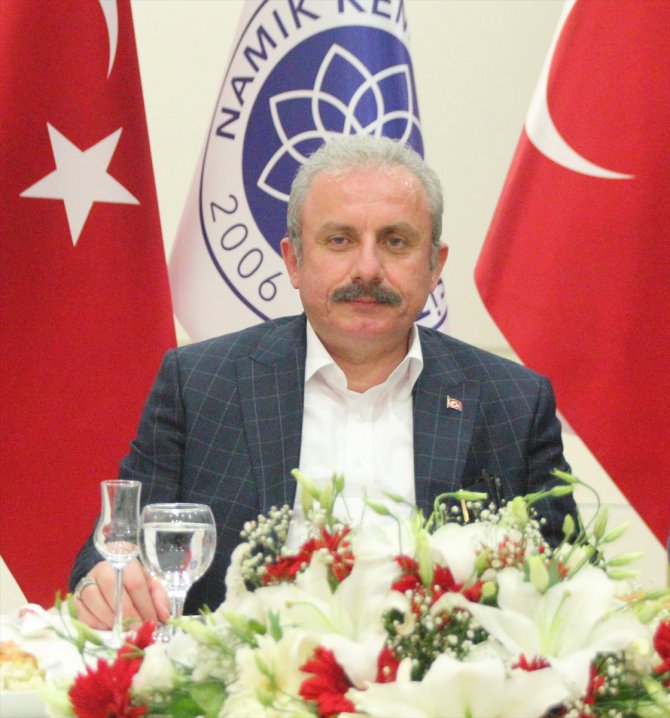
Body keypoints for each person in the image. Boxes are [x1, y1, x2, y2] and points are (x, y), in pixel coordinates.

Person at [70, 135, 576, 629]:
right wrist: (105, 583)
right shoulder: (201, 384)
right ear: (294, 261)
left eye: (396, 242)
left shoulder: (513, 402)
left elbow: (568, 583)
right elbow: (115, 551)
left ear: (434, 266)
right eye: (340, 240)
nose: (368, 268)